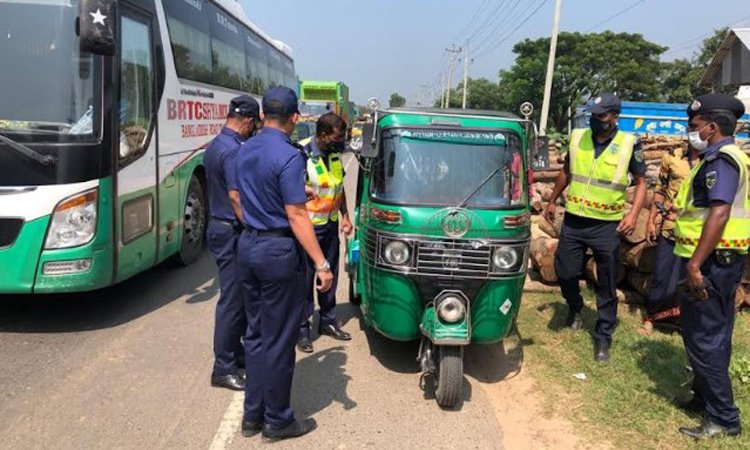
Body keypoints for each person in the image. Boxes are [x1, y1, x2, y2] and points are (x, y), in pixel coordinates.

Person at [235, 86, 334, 441]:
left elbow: (247, 194)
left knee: (257, 335)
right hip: (277, 252)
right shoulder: (291, 156)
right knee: (279, 340)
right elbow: (296, 216)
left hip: (248, 247)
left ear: (262, 116)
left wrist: (291, 194)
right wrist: (322, 263)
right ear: (294, 118)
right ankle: (277, 420)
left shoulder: (245, 149)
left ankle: (252, 416)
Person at [544, 93, 648, 362]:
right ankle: (575, 306)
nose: (594, 119)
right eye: (592, 114)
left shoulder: (629, 143)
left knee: (607, 282)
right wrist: (553, 199)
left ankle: (603, 337)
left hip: (607, 225)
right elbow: (567, 171)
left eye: (601, 116)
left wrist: (634, 214)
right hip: (575, 220)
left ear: (615, 117)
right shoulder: (578, 137)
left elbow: (641, 181)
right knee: (565, 272)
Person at [671, 94, 748, 439]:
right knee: (702, 334)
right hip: (714, 261)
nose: (692, 131)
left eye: (695, 126)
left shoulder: (722, 160)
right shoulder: (717, 158)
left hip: (713, 264)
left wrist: (695, 265)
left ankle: (724, 418)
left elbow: (719, 213)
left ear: (712, 127)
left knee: (707, 340)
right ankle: (705, 397)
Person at [204, 95, 260, 391]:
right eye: (254, 124)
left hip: (219, 226)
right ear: (249, 121)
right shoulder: (234, 151)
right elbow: (237, 196)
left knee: (234, 297)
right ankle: (222, 367)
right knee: (233, 300)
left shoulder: (216, 144)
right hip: (231, 229)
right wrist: (252, 226)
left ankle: (234, 352)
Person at [297, 113, 354, 353]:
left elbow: (338, 188)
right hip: (307, 230)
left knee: (328, 278)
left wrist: (346, 216)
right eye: (337, 137)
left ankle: (328, 321)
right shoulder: (300, 154)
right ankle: (301, 329)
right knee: (304, 280)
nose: (341, 141)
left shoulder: (335, 155)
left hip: (330, 227)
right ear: (322, 135)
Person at [639, 143, 699, 335]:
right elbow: (660, 190)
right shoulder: (672, 157)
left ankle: (684, 321)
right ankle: (652, 317)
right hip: (670, 229)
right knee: (661, 274)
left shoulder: (714, 161)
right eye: (692, 127)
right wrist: (651, 220)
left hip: (697, 233)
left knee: (688, 279)